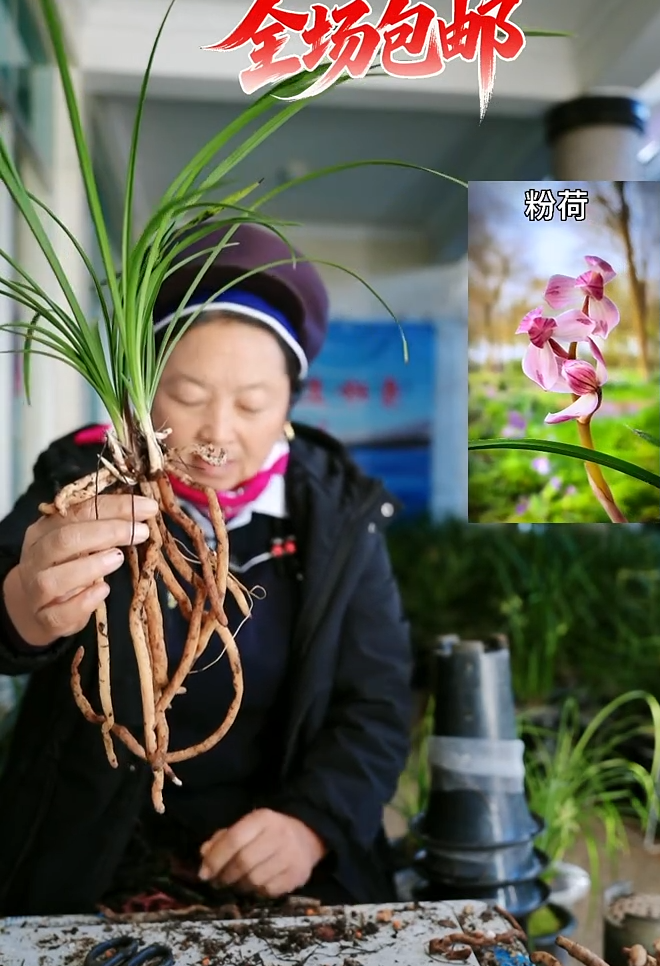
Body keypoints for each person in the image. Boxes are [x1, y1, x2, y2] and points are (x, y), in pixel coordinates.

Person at [0, 224, 413, 915]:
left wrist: (312, 824)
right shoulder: (82, 481)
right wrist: (20, 607)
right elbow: (7, 602)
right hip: (92, 854)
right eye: (187, 396)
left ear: (289, 402)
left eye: (251, 403)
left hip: (275, 861)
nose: (218, 433)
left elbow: (377, 701)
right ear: (144, 391)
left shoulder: (339, 513)